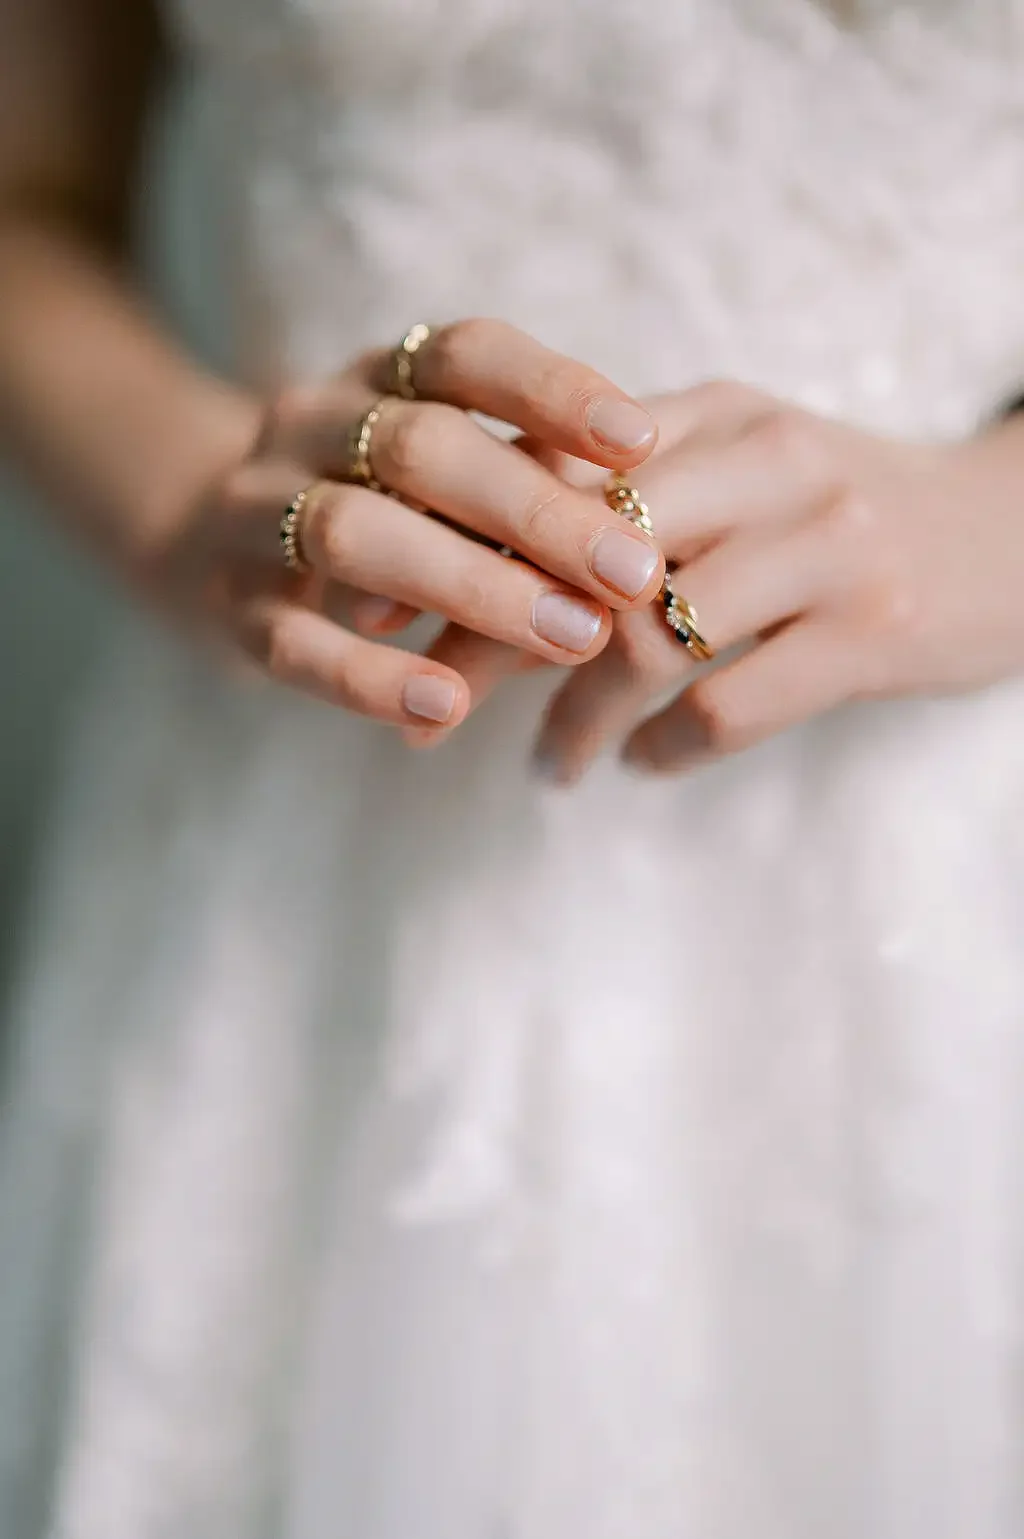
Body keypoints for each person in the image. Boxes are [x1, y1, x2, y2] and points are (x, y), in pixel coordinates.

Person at [1, 1, 1024, 1535]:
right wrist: (185, 493)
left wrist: (997, 523)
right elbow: (28, 191)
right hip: (296, 844)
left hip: (933, 841)